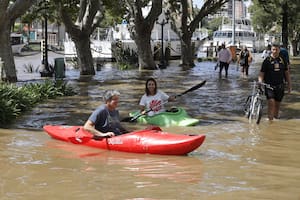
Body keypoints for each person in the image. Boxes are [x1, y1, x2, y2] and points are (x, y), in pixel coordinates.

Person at [258, 43, 292, 121]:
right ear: (271, 50)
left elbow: (287, 73)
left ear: (279, 50)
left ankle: (275, 119)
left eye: (276, 49)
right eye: (273, 49)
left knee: (277, 104)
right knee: (271, 102)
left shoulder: (283, 60)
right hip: (269, 85)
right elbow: (262, 73)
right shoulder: (267, 60)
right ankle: (270, 120)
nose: (275, 51)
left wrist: (289, 86)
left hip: (280, 86)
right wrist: (260, 82)